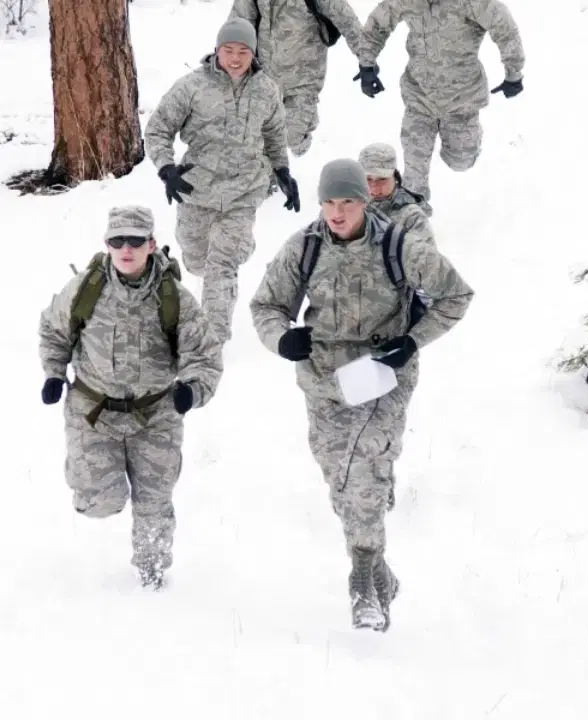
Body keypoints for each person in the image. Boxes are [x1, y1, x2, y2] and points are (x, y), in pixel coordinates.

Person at [249, 160, 474, 630]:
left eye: (347, 201)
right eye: (329, 202)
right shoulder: (304, 248)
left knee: (364, 472)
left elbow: (456, 296)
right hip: (324, 379)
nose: (337, 211)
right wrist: (282, 339)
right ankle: (379, 571)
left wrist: (413, 341)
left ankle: (364, 581)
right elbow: (266, 306)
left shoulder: (398, 245)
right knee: (340, 480)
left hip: (381, 375)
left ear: (364, 201)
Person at [38, 206, 223, 589]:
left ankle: (151, 571)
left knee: (154, 500)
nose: (126, 248)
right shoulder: (85, 291)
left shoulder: (176, 300)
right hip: (93, 412)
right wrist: (55, 374)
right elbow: (53, 331)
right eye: (117, 240)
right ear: (107, 244)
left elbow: (205, 357)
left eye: (135, 241)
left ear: (151, 245)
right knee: (99, 501)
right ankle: (94, 486)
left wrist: (192, 390)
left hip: (155, 415)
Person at [144, 18, 300, 345]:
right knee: (197, 259)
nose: (234, 58)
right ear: (217, 50)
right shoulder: (191, 87)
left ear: (253, 53)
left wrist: (283, 172)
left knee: (221, 264)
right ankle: (225, 252)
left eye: (243, 51)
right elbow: (158, 130)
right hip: (196, 189)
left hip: (244, 193)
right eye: (228, 50)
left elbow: (274, 136)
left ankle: (211, 341)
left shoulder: (266, 90)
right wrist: (166, 169)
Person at [361, 0, 525, 208]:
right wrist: (366, 64)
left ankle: (467, 145)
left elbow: (504, 27)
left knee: (460, 161)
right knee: (414, 164)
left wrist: (514, 72)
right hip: (419, 95)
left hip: (461, 101)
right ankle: (413, 210)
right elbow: (378, 22)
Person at [227, 0, 381, 158]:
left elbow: (347, 20)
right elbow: (238, 22)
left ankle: (307, 149)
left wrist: (366, 63)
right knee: (259, 139)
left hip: (304, 81)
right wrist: (225, 58)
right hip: (264, 77)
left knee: (292, 136)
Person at [358, 142, 432, 227]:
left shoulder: (411, 216)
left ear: (395, 176)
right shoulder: (347, 201)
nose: (374, 189)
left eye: (382, 179)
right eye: (368, 179)